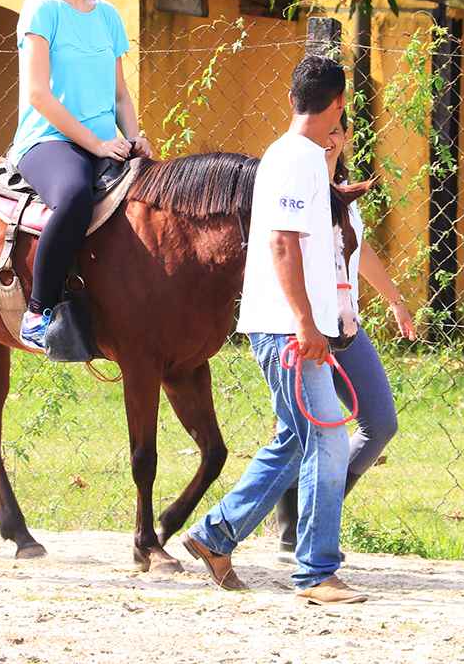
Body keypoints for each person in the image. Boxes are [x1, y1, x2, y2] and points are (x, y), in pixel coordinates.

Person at [182, 55, 369, 605]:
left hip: (287, 325)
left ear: (294, 99)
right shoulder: (296, 160)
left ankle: (215, 536)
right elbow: (283, 244)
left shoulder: (301, 156)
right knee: (329, 439)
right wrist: (308, 325)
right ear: (337, 104)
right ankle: (316, 573)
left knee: (296, 440)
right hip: (288, 329)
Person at [8, 0, 153, 353]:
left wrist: (134, 137)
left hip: (106, 140)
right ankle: (39, 310)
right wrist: (95, 142)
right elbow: (37, 95)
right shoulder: (41, 8)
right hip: (49, 141)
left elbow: (119, 94)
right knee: (72, 198)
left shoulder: (109, 16)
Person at [272, 111, 417, 561]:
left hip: (345, 326)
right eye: (326, 131)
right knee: (298, 432)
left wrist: (394, 298)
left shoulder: (346, 193)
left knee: (380, 424)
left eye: (339, 132)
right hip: (304, 328)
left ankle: (315, 512)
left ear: (348, 136)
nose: (331, 140)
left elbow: (360, 248)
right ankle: (286, 530)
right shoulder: (298, 183)